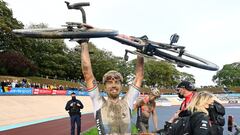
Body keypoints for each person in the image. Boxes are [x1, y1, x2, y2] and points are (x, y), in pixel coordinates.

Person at [80, 41, 144, 135]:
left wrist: (140, 51)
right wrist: (84, 44)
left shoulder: (127, 102)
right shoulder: (99, 103)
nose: (113, 85)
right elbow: (87, 74)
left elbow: (139, 76)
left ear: (121, 86)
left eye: (117, 82)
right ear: (104, 87)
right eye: (109, 82)